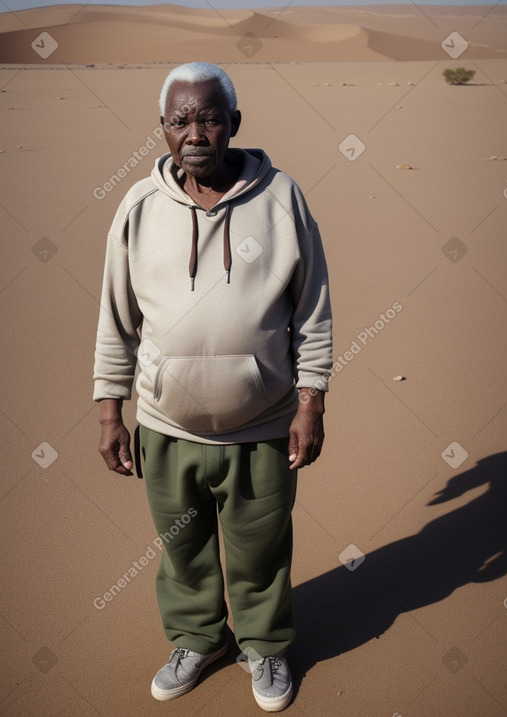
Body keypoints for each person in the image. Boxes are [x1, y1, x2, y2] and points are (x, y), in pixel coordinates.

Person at [93, 62, 332, 712]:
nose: (194, 132)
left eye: (208, 116)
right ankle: (199, 638)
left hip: (264, 426)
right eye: (179, 120)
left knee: (260, 550)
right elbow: (116, 316)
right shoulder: (140, 208)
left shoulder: (281, 199)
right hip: (168, 429)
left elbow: (312, 310)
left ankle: (265, 644)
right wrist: (110, 409)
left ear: (234, 124)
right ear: (163, 130)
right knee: (184, 552)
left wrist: (312, 400)